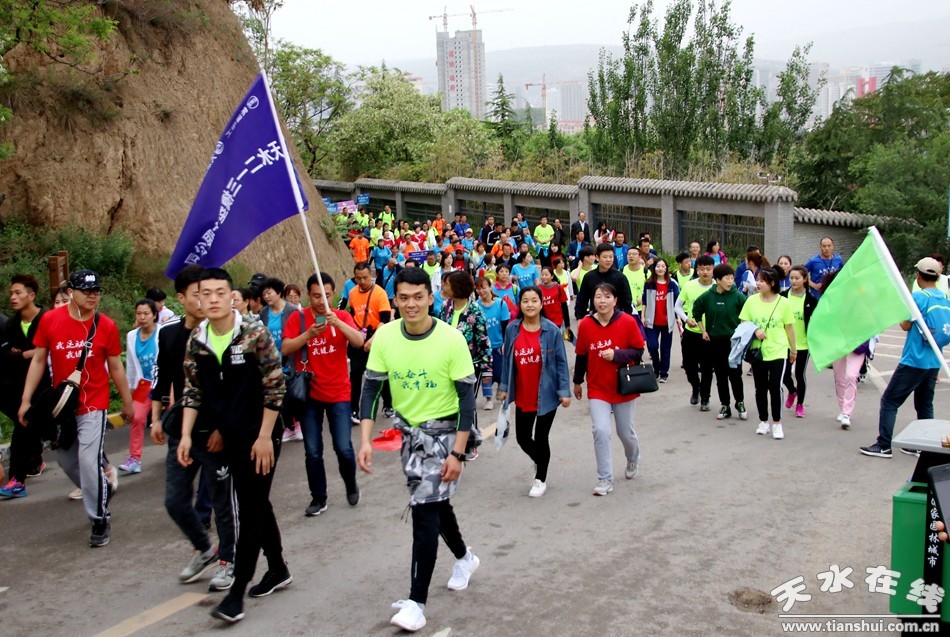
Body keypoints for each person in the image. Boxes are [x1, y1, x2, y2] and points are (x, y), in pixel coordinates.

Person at [357, 268, 480, 633]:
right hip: (411, 435)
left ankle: (417, 603)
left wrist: (458, 454)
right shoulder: (385, 336)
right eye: (404, 298)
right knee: (436, 505)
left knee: (424, 511)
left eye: (418, 297)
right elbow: (370, 390)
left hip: (445, 433)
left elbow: (467, 401)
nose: (411, 304)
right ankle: (465, 557)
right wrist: (365, 441)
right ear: (395, 300)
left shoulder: (451, 339)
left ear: (431, 297)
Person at [180, 268, 289, 624]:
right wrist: (186, 435)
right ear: (198, 298)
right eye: (206, 293)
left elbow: (275, 385)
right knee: (257, 503)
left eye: (220, 292)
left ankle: (236, 593)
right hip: (229, 436)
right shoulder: (197, 340)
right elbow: (193, 391)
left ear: (232, 297)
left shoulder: (254, 333)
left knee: (251, 509)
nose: (213, 299)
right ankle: (278, 568)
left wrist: (264, 437)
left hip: (262, 435)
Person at [16, 269, 134, 546]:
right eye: (86, 291)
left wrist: (127, 401)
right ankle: (101, 490)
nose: (93, 296)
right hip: (64, 406)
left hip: (94, 404)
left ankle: (99, 519)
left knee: (89, 461)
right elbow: (38, 360)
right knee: (67, 462)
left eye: (97, 291)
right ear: (71, 292)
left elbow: (116, 366)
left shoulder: (106, 325)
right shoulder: (51, 320)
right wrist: (25, 400)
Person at [150, 264, 236, 593]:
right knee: (174, 500)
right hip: (182, 430)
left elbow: (231, 387)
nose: (205, 300)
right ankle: (204, 548)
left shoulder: (220, 333)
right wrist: (157, 418)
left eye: (210, 293)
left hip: (215, 432)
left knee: (221, 502)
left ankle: (228, 561)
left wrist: (222, 429)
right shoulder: (168, 334)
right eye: (198, 294)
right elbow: (163, 378)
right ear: (181, 298)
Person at [283, 273, 364, 516]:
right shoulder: (298, 318)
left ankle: (350, 483)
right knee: (313, 451)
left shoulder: (341, 316)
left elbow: (358, 341)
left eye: (327, 296)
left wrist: (338, 323)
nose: (322, 301)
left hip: (339, 392)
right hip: (309, 395)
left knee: (343, 447)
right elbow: (285, 348)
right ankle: (319, 497)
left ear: (333, 294)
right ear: (309, 295)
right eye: (316, 296)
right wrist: (308, 335)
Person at [860, 257, 950, 458]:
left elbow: (905, 325)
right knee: (925, 404)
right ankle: (924, 446)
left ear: (918, 275)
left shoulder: (917, 298)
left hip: (914, 359)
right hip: (934, 360)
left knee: (890, 401)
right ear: (938, 276)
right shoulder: (944, 297)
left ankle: (884, 445)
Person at [573, 283, 646, 496]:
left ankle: (633, 458)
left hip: (624, 386)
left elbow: (638, 351)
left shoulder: (627, 321)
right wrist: (577, 381)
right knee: (601, 431)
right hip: (597, 388)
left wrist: (616, 355)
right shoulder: (586, 324)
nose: (602, 301)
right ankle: (604, 479)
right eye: (598, 297)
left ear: (615, 300)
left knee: (625, 432)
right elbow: (581, 355)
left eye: (607, 297)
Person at [498, 286, 571, 498]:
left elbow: (561, 362)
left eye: (534, 300)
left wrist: (564, 391)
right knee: (522, 438)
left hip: (547, 393)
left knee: (541, 437)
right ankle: (541, 462)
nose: (530, 305)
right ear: (520, 304)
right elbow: (507, 361)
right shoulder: (512, 329)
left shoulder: (552, 330)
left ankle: (540, 478)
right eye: (525, 301)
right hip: (523, 393)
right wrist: (504, 387)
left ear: (541, 304)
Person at [0, 275, 49, 499]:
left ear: (31, 295)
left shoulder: (47, 319)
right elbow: (6, 355)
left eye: (18, 293)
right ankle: (17, 480)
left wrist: (24, 354)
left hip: (49, 386)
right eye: (11, 293)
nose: (13, 297)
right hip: (24, 387)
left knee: (66, 437)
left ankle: (101, 470)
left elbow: (50, 352)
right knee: (22, 427)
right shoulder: (11, 325)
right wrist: (28, 354)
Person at [739, 266, 796, 440]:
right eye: (757, 280)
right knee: (760, 388)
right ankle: (763, 421)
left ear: (772, 283)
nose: (758, 283)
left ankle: (777, 423)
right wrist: (755, 330)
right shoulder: (751, 301)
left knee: (775, 387)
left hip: (778, 350)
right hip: (758, 352)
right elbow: (743, 322)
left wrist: (793, 350)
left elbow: (789, 328)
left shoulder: (783, 302)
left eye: (762, 281)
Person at [692, 264, 747, 420]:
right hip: (715, 341)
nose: (730, 281)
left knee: (735, 374)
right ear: (718, 280)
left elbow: (747, 313)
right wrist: (703, 330)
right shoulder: (707, 296)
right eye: (727, 278)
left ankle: (740, 402)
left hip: (733, 342)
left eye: (732, 278)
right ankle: (725, 405)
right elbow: (696, 311)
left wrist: (742, 331)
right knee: (721, 375)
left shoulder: (738, 296)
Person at [439, 271, 491, 421]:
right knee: (450, 403)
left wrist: (486, 370)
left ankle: (470, 433)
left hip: (470, 365)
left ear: (457, 287)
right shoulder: (446, 306)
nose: (444, 287)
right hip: (447, 364)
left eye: (447, 284)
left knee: (466, 405)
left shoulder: (475, 310)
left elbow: (483, 340)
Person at [345, 262, 393, 423]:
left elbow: (385, 319)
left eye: (365, 277)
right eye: (358, 278)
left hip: (376, 337)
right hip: (358, 339)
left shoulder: (380, 293)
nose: (362, 281)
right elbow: (352, 315)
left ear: (370, 276)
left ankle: (388, 404)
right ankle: (354, 410)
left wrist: (373, 340)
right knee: (355, 374)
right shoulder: (352, 293)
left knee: (381, 373)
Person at [119, 298, 159, 474]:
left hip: (162, 384)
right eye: (139, 314)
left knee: (174, 419)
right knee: (137, 417)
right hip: (143, 384)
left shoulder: (162, 332)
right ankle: (134, 459)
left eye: (146, 313)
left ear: (154, 315)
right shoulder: (131, 336)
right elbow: (131, 365)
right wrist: (129, 393)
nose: (142, 317)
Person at [675, 255, 716, 409]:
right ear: (697, 270)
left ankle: (705, 398)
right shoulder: (689, 286)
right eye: (702, 269)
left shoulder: (717, 287)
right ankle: (695, 387)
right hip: (691, 332)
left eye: (708, 269)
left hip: (710, 334)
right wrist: (686, 319)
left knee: (707, 368)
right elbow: (677, 306)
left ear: (713, 270)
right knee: (688, 365)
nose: (705, 272)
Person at [780, 266, 817, 418]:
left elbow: (817, 321)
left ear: (805, 279)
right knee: (784, 374)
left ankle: (800, 404)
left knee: (799, 374)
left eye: (797, 278)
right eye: (791, 278)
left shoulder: (811, 300)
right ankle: (792, 391)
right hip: (784, 343)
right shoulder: (783, 297)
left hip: (803, 343)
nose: (793, 281)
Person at [642, 259, 679, 383]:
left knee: (665, 348)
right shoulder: (649, 283)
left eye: (663, 266)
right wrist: (643, 316)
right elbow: (644, 301)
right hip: (652, 321)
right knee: (652, 346)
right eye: (658, 266)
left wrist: (678, 318)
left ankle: (663, 373)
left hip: (667, 322)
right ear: (654, 268)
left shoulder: (672, 284)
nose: (661, 268)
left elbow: (677, 303)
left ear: (666, 268)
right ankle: (656, 367)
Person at [475, 278, 510, 410]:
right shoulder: (476, 306)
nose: (481, 291)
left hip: (498, 345)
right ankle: (488, 399)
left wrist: (505, 342)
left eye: (483, 287)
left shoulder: (501, 304)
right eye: (478, 288)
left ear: (490, 287)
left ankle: (501, 389)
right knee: (486, 374)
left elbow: (505, 326)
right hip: (483, 347)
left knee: (500, 372)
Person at [575, 243, 633, 319]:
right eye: (605, 257)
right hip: (595, 318)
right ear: (597, 257)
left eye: (611, 257)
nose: (608, 260)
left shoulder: (620, 277)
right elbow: (582, 300)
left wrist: (626, 319)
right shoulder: (589, 277)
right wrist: (580, 318)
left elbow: (627, 301)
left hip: (616, 319)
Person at [539, 266, 570, 335]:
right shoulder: (538, 289)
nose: (544, 277)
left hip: (557, 321)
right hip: (544, 322)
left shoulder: (558, 287)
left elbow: (564, 306)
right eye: (542, 275)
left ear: (552, 276)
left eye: (546, 275)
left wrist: (567, 324)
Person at [622, 248, 649, 314]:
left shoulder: (647, 273)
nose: (631, 256)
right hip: (625, 309)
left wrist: (643, 298)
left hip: (643, 310)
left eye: (634, 254)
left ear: (640, 257)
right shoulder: (621, 272)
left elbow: (651, 291)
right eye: (629, 254)